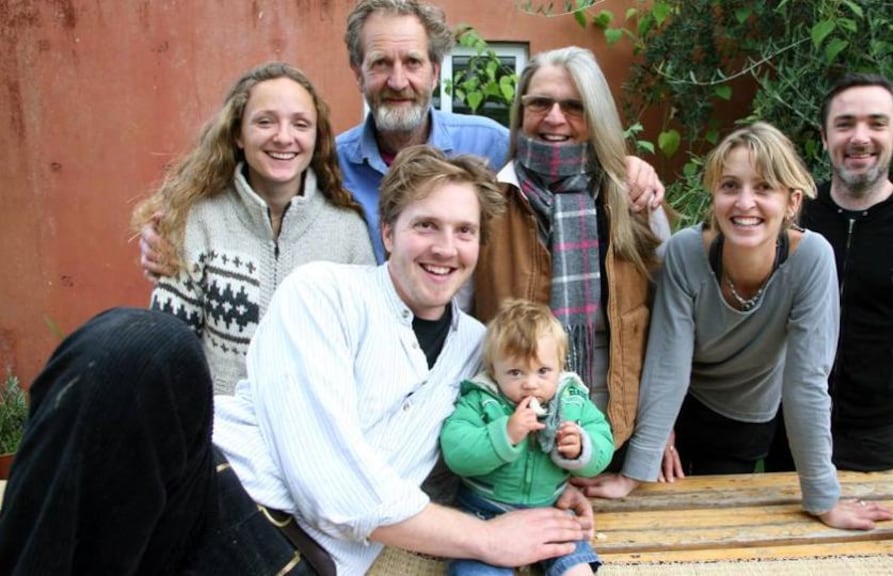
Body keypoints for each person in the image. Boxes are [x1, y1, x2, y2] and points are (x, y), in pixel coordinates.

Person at [0, 146, 595, 576]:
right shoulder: (324, 294)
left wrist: (542, 488)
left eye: (464, 231)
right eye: (426, 226)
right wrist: (489, 539)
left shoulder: (480, 350)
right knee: (143, 343)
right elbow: (334, 494)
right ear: (387, 233)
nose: (445, 247)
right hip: (215, 498)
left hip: (299, 562)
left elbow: (535, 404)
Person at [139, 0, 665, 273]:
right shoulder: (326, 162)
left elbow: (559, 153)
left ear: (436, 71)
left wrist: (630, 168)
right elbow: (252, 187)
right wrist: (174, 230)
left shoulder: (486, 143)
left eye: (412, 62)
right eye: (380, 63)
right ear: (357, 73)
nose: (397, 80)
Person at [573, 122, 893, 531]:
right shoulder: (685, 252)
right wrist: (637, 467)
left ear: (791, 201)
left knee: (719, 520)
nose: (745, 202)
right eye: (730, 186)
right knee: (654, 513)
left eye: (763, 188)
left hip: (744, 411)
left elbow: (806, 383)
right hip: (674, 400)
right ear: (714, 195)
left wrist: (823, 497)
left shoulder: (811, 259)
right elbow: (668, 362)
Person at [768, 73, 893, 473]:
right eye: (844, 124)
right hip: (783, 425)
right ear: (825, 138)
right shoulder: (791, 217)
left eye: (876, 123)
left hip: (871, 435)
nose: (859, 137)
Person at [131, 62, 374, 394]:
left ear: (316, 138)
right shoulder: (197, 221)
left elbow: (366, 348)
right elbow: (167, 345)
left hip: (314, 431)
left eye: (301, 124)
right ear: (237, 134)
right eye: (265, 122)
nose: (284, 137)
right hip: (219, 430)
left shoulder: (348, 231)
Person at [472, 46, 669, 449]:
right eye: (540, 103)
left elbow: (669, 326)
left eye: (574, 106)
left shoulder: (633, 203)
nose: (555, 118)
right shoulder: (488, 205)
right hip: (510, 434)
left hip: (613, 433)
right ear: (521, 113)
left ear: (596, 117)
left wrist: (659, 431)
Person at [441, 299, 613, 576]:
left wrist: (582, 447)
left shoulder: (571, 400)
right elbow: (457, 453)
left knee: (577, 568)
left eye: (543, 371)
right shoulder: (481, 400)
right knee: (476, 571)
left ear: (560, 367)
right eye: (515, 372)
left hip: (549, 509)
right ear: (494, 370)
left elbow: (603, 443)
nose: (530, 383)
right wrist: (505, 434)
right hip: (484, 512)